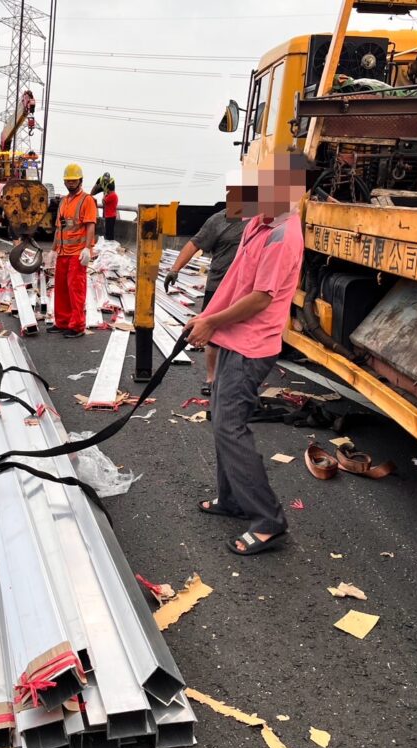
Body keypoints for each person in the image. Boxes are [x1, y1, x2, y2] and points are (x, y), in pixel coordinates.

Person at [183, 152, 307, 557]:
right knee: (221, 420)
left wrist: (213, 324)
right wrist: (207, 317)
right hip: (232, 336)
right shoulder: (257, 222)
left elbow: (259, 299)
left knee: (230, 427)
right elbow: (235, 280)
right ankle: (231, 499)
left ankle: (268, 519)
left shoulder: (283, 234)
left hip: (252, 345)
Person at [163, 204, 247, 397]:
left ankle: (238, 381)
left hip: (244, 290)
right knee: (213, 336)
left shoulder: (260, 220)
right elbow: (194, 244)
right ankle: (211, 379)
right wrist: (175, 269)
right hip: (218, 287)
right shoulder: (219, 220)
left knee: (241, 334)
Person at [47, 163, 98, 338]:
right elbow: (58, 228)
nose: (70, 184)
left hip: (77, 253)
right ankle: (62, 322)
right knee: (60, 289)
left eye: (73, 181)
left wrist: (87, 248)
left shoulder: (87, 200)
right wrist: (53, 250)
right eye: (68, 181)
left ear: (80, 181)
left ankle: (77, 326)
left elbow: (90, 225)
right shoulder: (63, 201)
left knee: (75, 290)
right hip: (62, 252)